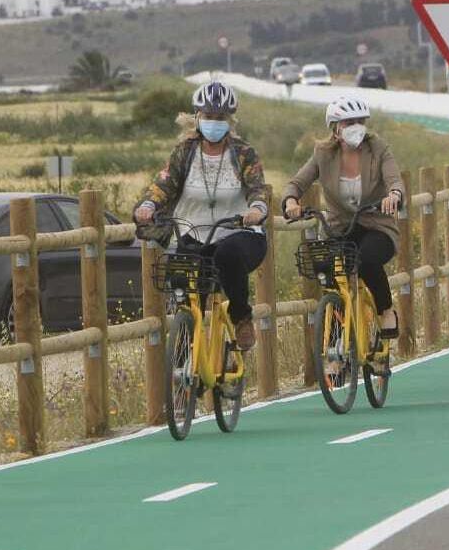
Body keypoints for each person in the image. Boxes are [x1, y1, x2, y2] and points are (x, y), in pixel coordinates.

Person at [134, 81, 270, 355]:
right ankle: (186, 360)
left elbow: (258, 187)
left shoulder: (243, 153)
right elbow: (164, 183)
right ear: (197, 118)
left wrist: (256, 210)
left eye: (219, 118)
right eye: (208, 116)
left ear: (230, 120)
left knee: (227, 255)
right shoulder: (185, 152)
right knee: (186, 291)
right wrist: (148, 205)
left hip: (237, 233)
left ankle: (241, 317)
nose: (213, 123)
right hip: (194, 234)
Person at [281, 96, 406, 342]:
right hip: (339, 228)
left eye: (360, 121)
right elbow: (297, 182)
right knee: (330, 278)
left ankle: (385, 310)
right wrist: (290, 201)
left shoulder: (378, 148)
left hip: (376, 226)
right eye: (349, 122)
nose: (356, 127)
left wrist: (394, 194)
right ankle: (335, 347)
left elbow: (394, 179)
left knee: (367, 259)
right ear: (335, 129)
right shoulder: (323, 154)